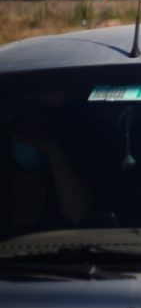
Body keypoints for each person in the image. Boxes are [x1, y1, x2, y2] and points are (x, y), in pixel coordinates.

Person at [3, 96, 92, 232]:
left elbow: (76, 215)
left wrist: (53, 150)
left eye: (39, 132)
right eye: (24, 129)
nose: (32, 140)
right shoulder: (5, 185)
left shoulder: (62, 184)